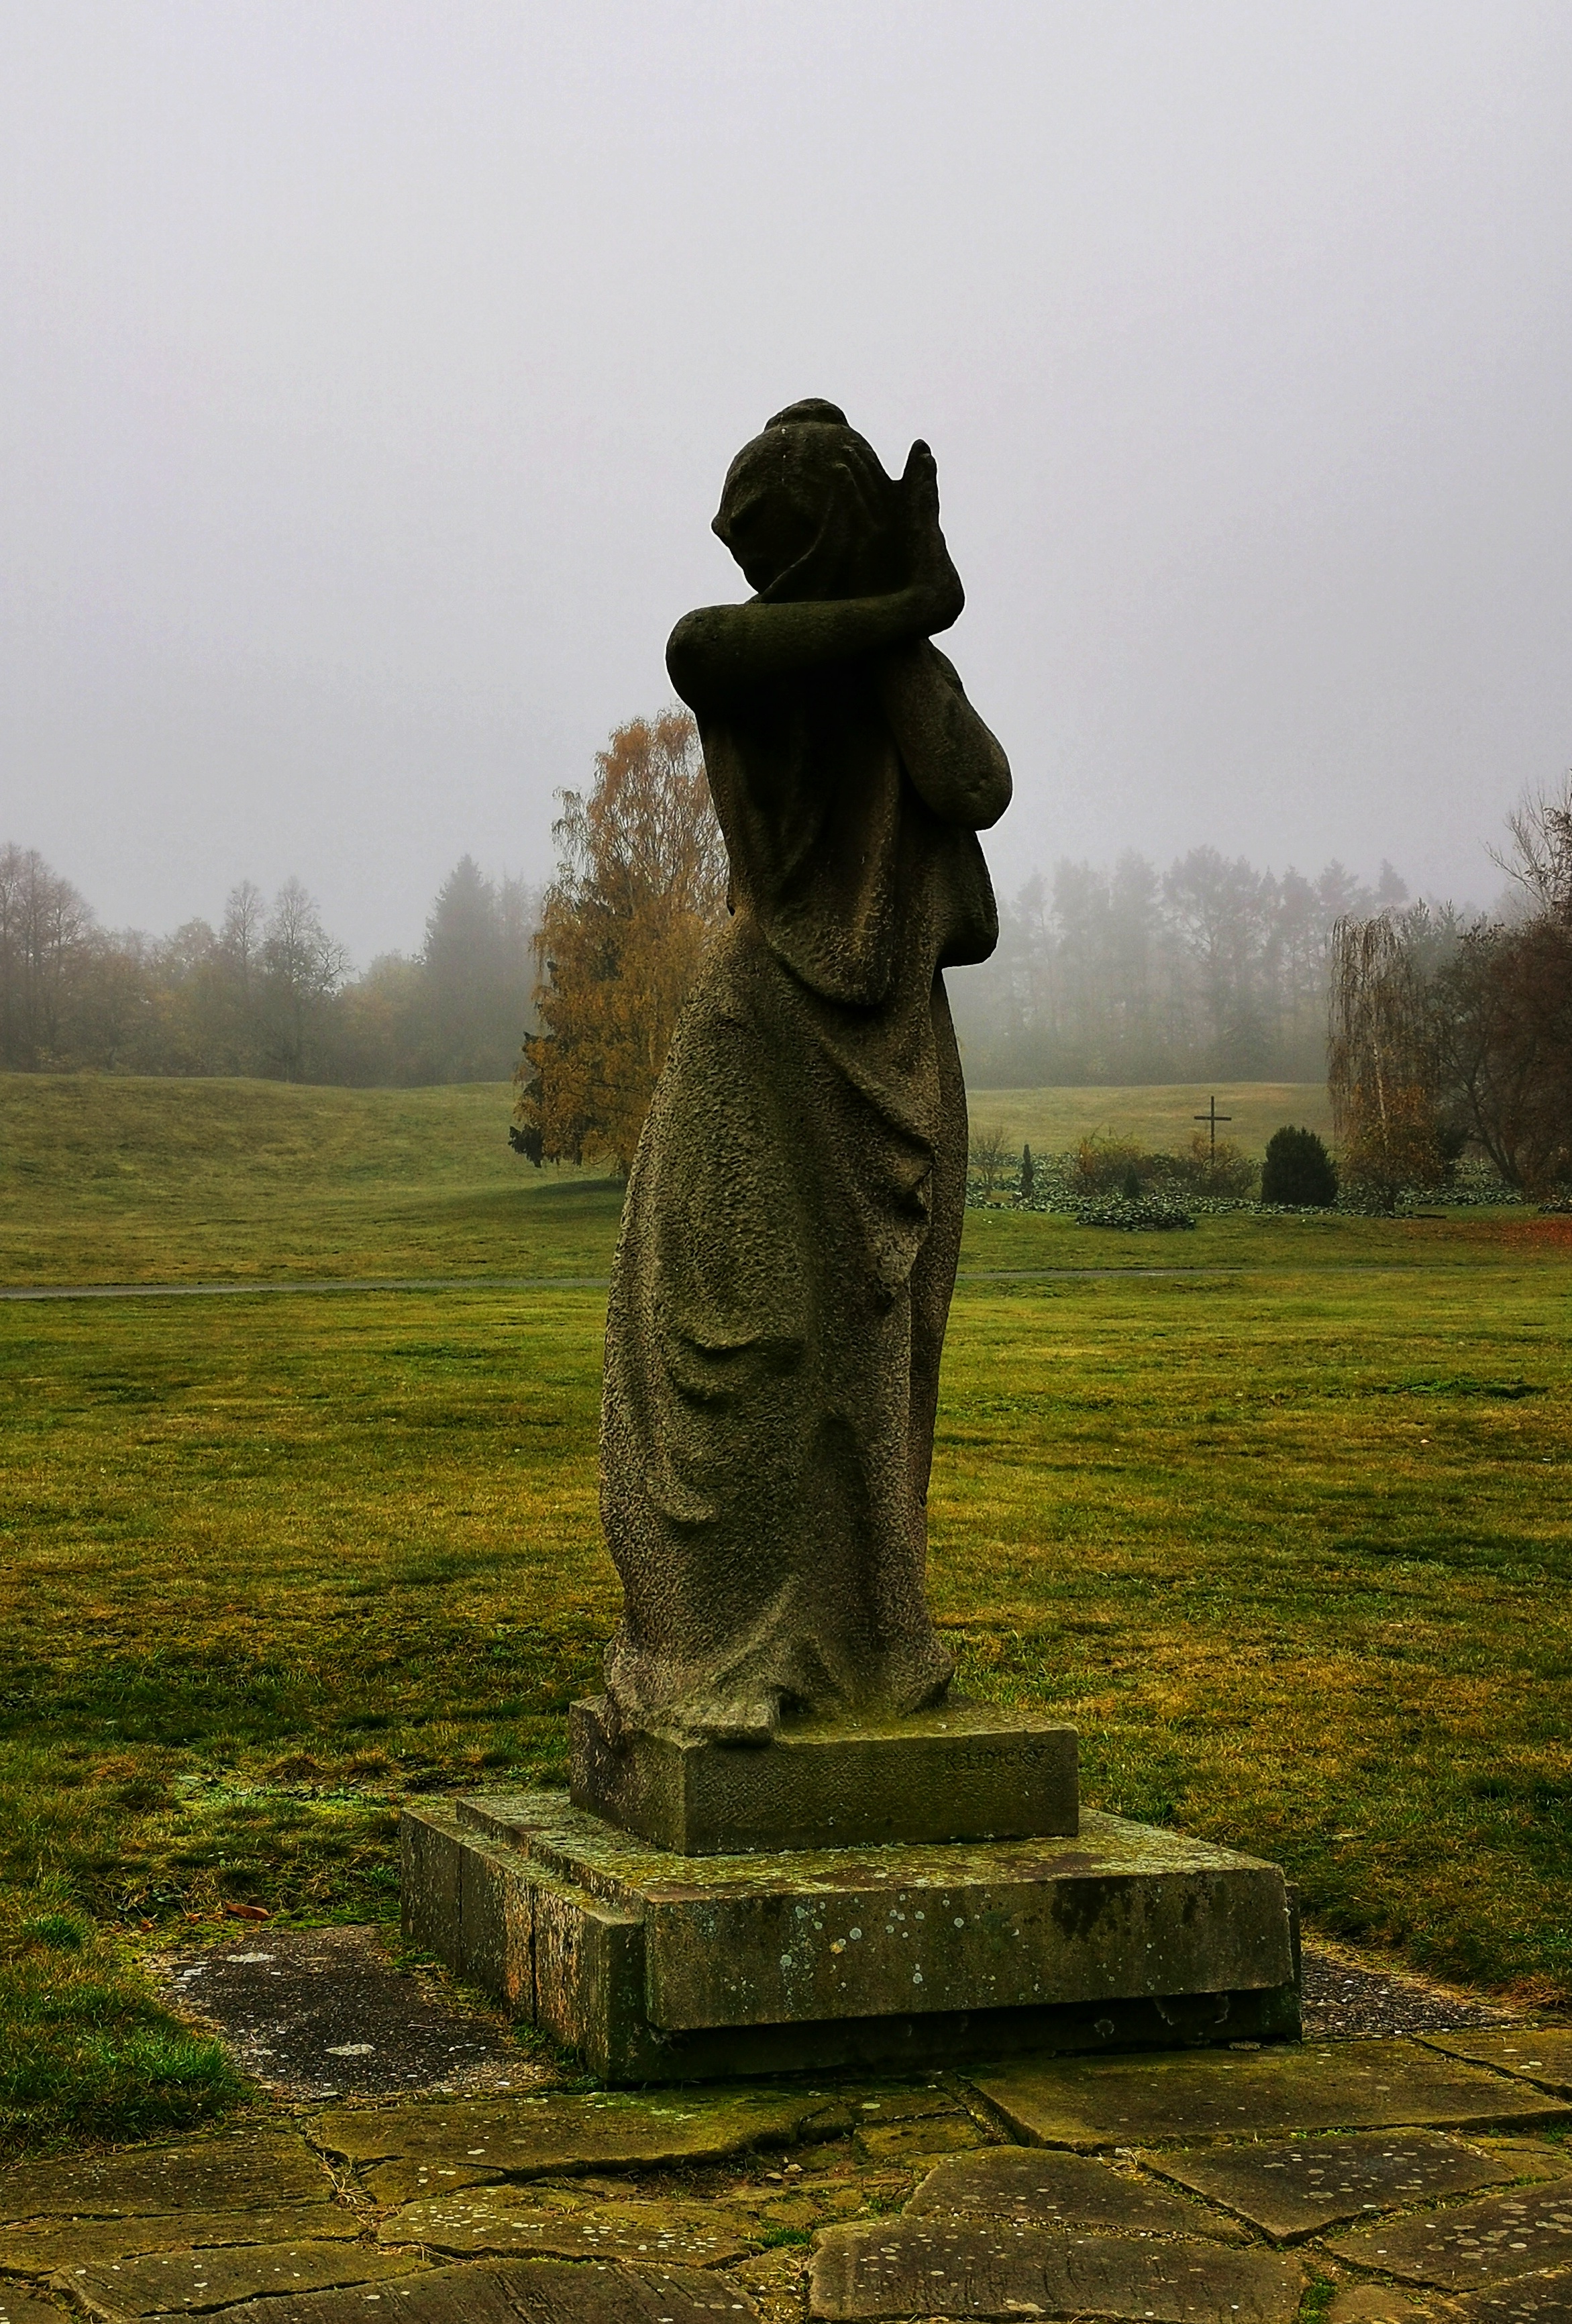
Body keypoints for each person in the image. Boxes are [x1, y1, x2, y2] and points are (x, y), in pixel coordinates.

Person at [599, 399, 1012, 1743]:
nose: (750, 579)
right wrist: (910, 599)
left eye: (773, 547)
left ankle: (874, 1643)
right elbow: (696, 647)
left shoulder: (893, 671)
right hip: (759, 1036)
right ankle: (718, 1649)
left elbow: (979, 789)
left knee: (884, 1357)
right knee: (741, 1352)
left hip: (892, 1040)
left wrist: (911, 622)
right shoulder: (744, 658)